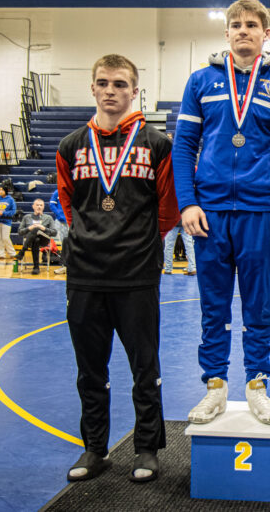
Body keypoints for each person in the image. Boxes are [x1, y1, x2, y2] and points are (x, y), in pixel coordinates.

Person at [173, 0, 270, 426]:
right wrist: (187, 202)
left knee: (258, 307)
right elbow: (182, 148)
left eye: (252, 25)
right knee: (213, 306)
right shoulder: (200, 82)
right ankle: (214, 386)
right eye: (236, 25)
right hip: (209, 212)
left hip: (260, 211)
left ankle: (257, 385)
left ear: (266, 33)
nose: (244, 30)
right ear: (226, 32)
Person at [56, 54, 179, 483]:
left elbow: (167, 208)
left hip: (137, 273)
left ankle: (147, 448)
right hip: (86, 273)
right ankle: (94, 448)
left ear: (134, 89)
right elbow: (69, 204)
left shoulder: (156, 144)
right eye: (104, 83)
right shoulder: (70, 146)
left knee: (145, 367)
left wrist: (139, 243)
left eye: (120, 84)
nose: (111, 91)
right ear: (92, 88)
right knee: (90, 370)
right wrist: (90, 238)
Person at [14, 198, 57, 274]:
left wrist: (44, 228)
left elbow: (54, 232)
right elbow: (20, 232)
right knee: (35, 238)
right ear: (33, 206)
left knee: (37, 228)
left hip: (44, 240)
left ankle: (22, 251)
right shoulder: (27, 217)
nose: (39, 207)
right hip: (30, 241)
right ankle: (36, 267)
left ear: (43, 207)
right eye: (37, 205)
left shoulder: (48, 218)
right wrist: (29, 228)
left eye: (41, 205)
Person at [0, 186, 17, 259]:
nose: (0, 191)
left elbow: (13, 211)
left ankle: (12, 253)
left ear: (5, 191)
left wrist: (4, 213)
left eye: (2, 190)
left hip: (6, 221)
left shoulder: (10, 200)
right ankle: (1, 254)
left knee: (5, 237)